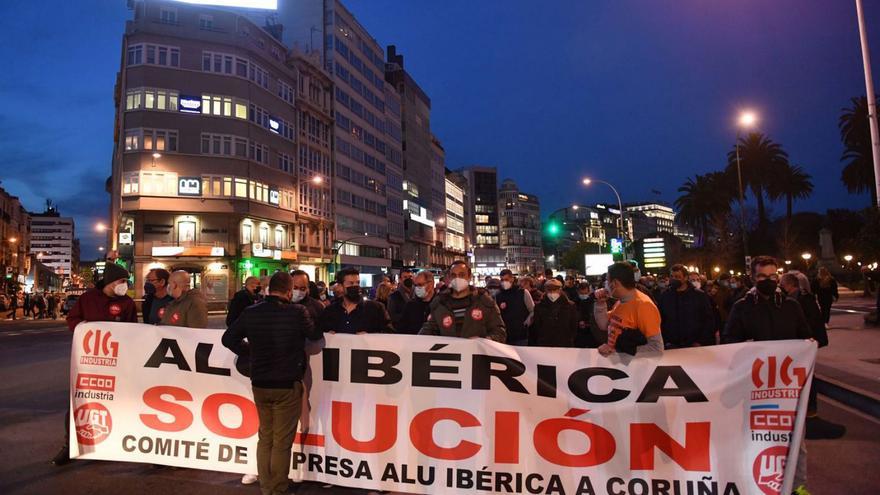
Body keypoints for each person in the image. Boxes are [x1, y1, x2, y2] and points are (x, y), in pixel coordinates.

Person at [222, 272, 322, 495]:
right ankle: (277, 489)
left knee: (265, 436)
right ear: (288, 291)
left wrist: (250, 351)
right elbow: (314, 333)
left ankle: (266, 486)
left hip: (260, 382)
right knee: (282, 441)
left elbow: (228, 338)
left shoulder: (251, 312)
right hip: (286, 383)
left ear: (269, 289)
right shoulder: (297, 312)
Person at [54, 263, 137, 466]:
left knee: (114, 404)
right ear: (110, 282)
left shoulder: (127, 303)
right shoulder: (87, 299)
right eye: (121, 281)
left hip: (116, 363)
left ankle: (108, 445)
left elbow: (133, 330)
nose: (124, 285)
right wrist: (83, 330)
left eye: (126, 281)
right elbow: (73, 318)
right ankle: (70, 446)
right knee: (79, 402)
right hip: (88, 362)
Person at [722, 257, 812, 344]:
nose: (768, 280)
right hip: (756, 359)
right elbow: (730, 339)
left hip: (784, 359)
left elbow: (804, 336)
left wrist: (809, 343)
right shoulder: (741, 307)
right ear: (752, 278)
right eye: (762, 276)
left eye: (772, 276)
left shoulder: (791, 305)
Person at [419, 260, 506, 342]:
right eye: (453, 275)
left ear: (469, 277)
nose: (457, 278)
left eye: (461, 275)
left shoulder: (484, 302)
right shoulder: (440, 303)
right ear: (449, 278)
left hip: (475, 355)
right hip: (450, 356)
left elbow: (499, 333)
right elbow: (428, 331)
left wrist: (483, 341)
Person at [593, 262, 664, 357]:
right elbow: (604, 324)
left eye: (607, 280)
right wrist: (600, 303)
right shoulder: (621, 301)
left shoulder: (644, 306)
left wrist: (621, 351)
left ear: (614, 283)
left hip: (632, 368)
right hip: (620, 364)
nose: (605, 284)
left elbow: (656, 348)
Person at [318, 268, 393, 334]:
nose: (355, 286)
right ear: (340, 286)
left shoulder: (376, 308)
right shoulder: (330, 311)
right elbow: (319, 332)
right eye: (351, 283)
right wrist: (327, 335)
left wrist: (371, 336)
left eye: (357, 282)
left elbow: (390, 333)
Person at [658, 264, 716, 348]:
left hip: (694, 344)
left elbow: (708, 320)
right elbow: (660, 319)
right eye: (672, 276)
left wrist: (700, 341)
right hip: (672, 345)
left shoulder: (699, 296)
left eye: (677, 277)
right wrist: (666, 341)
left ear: (685, 278)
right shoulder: (665, 296)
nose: (674, 279)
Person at [530, 278, 577, 347]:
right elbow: (537, 326)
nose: (552, 292)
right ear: (545, 290)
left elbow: (573, 325)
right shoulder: (539, 306)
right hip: (545, 343)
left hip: (565, 343)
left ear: (560, 290)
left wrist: (570, 338)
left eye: (555, 290)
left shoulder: (570, 306)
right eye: (549, 290)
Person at [495, 269, 534, 345]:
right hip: (505, 336)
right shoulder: (498, 295)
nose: (504, 282)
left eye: (506, 279)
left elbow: (532, 310)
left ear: (512, 279)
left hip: (521, 336)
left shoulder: (523, 292)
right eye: (502, 280)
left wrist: (526, 323)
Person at [397, 270, 437, 334]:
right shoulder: (410, 305)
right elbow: (401, 329)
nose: (417, 288)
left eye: (420, 285)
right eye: (415, 285)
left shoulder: (440, 304)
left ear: (431, 284)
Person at [574, 282, 603, 348]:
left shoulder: (593, 302)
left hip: (591, 332)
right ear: (578, 292)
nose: (583, 295)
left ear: (589, 292)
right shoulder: (574, 302)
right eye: (581, 293)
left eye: (585, 293)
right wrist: (579, 321)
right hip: (579, 333)